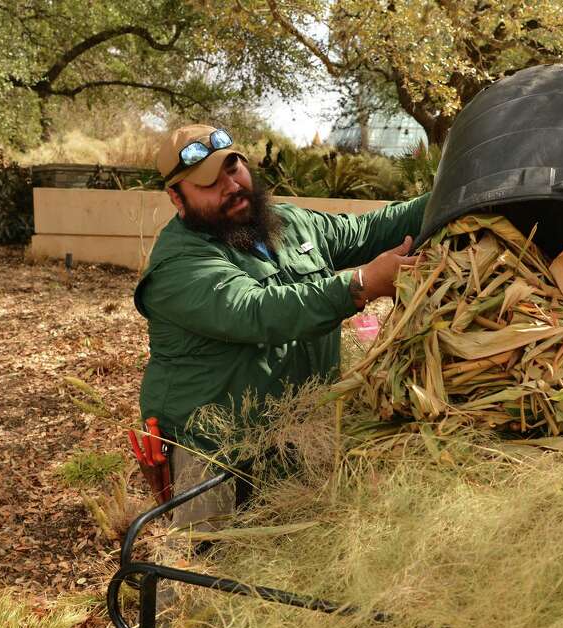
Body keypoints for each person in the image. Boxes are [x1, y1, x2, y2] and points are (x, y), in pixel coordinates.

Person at [135, 124, 428, 531]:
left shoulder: (288, 223)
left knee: (293, 562)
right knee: (200, 578)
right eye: (208, 184)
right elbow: (259, 311)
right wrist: (359, 285)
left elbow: (369, 231)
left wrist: (456, 191)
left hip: (298, 436)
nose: (231, 186)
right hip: (215, 457)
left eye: (232, 169)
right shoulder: (179, 265)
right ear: (177, 198)